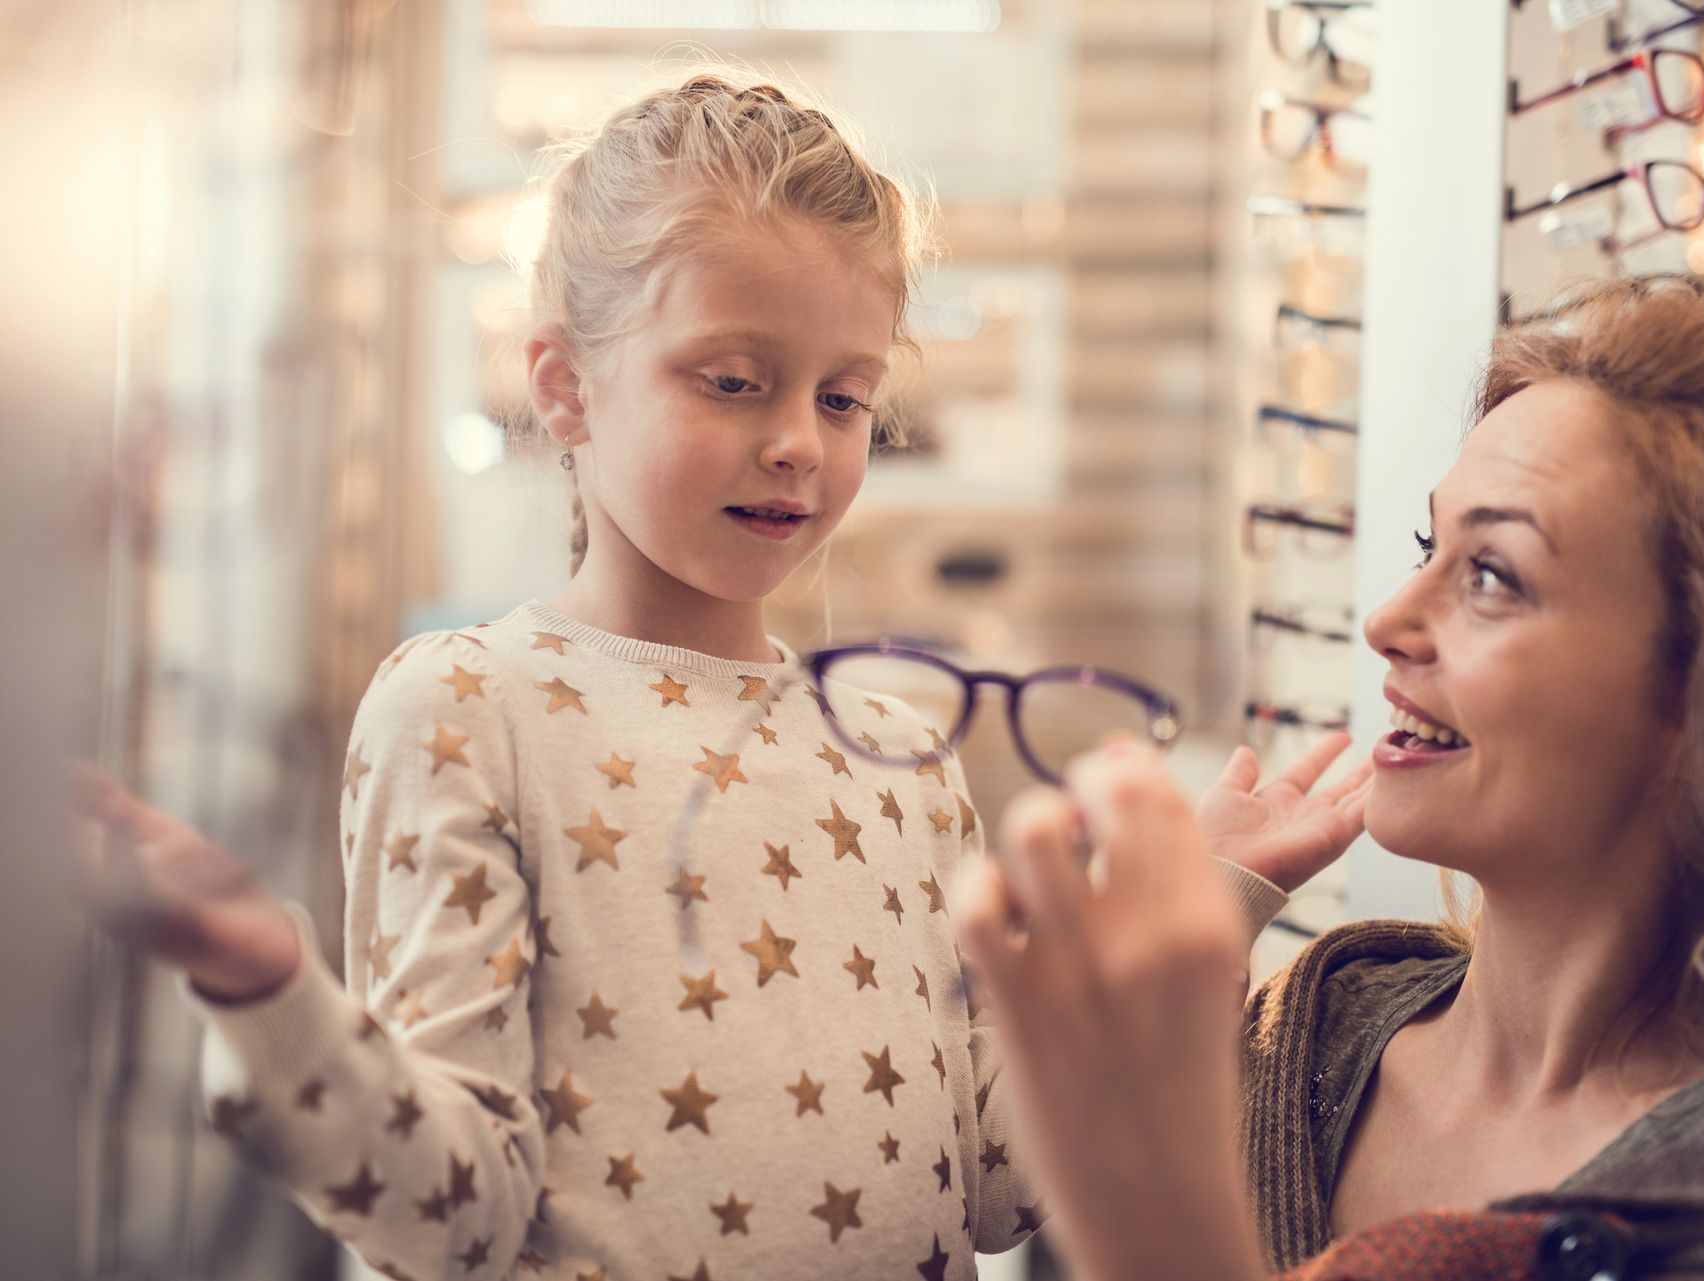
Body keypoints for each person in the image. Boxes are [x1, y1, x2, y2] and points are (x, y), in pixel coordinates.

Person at [72, 68, 1374, 1281]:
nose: (800, 444)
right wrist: (263, 985)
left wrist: (1197, 915)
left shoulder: (895, 752)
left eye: (846, 398)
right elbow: (446, 1212)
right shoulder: (469, 707)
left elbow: (996, 1177)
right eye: (737, 382)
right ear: (566, 388)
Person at [959, 280, 1704, 1281]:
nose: (1387, 619)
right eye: (1431, 547)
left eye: (1492, 575)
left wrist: (1149, 1209)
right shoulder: (1304, 1038)